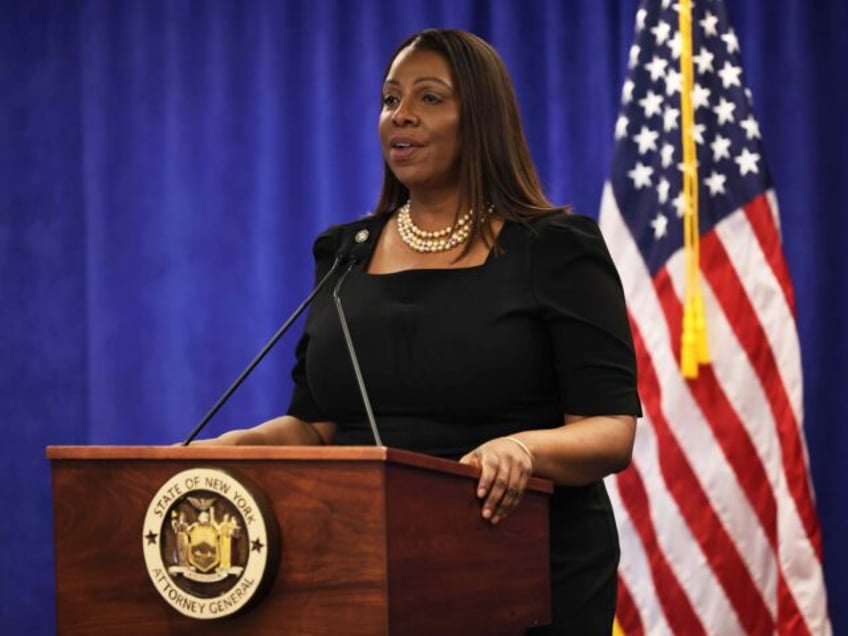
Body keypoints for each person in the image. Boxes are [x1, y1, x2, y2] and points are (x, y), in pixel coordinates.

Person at [193, 28, 641, 635]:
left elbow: (610, 431)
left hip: (522, 568)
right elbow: (317, 426)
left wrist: (522, 449)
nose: (399, 115)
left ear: (480, 119)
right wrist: (233, 449)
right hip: (360, 569)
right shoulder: (344, 252)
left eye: (429, 98)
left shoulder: (556, 249)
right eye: (389, 99)